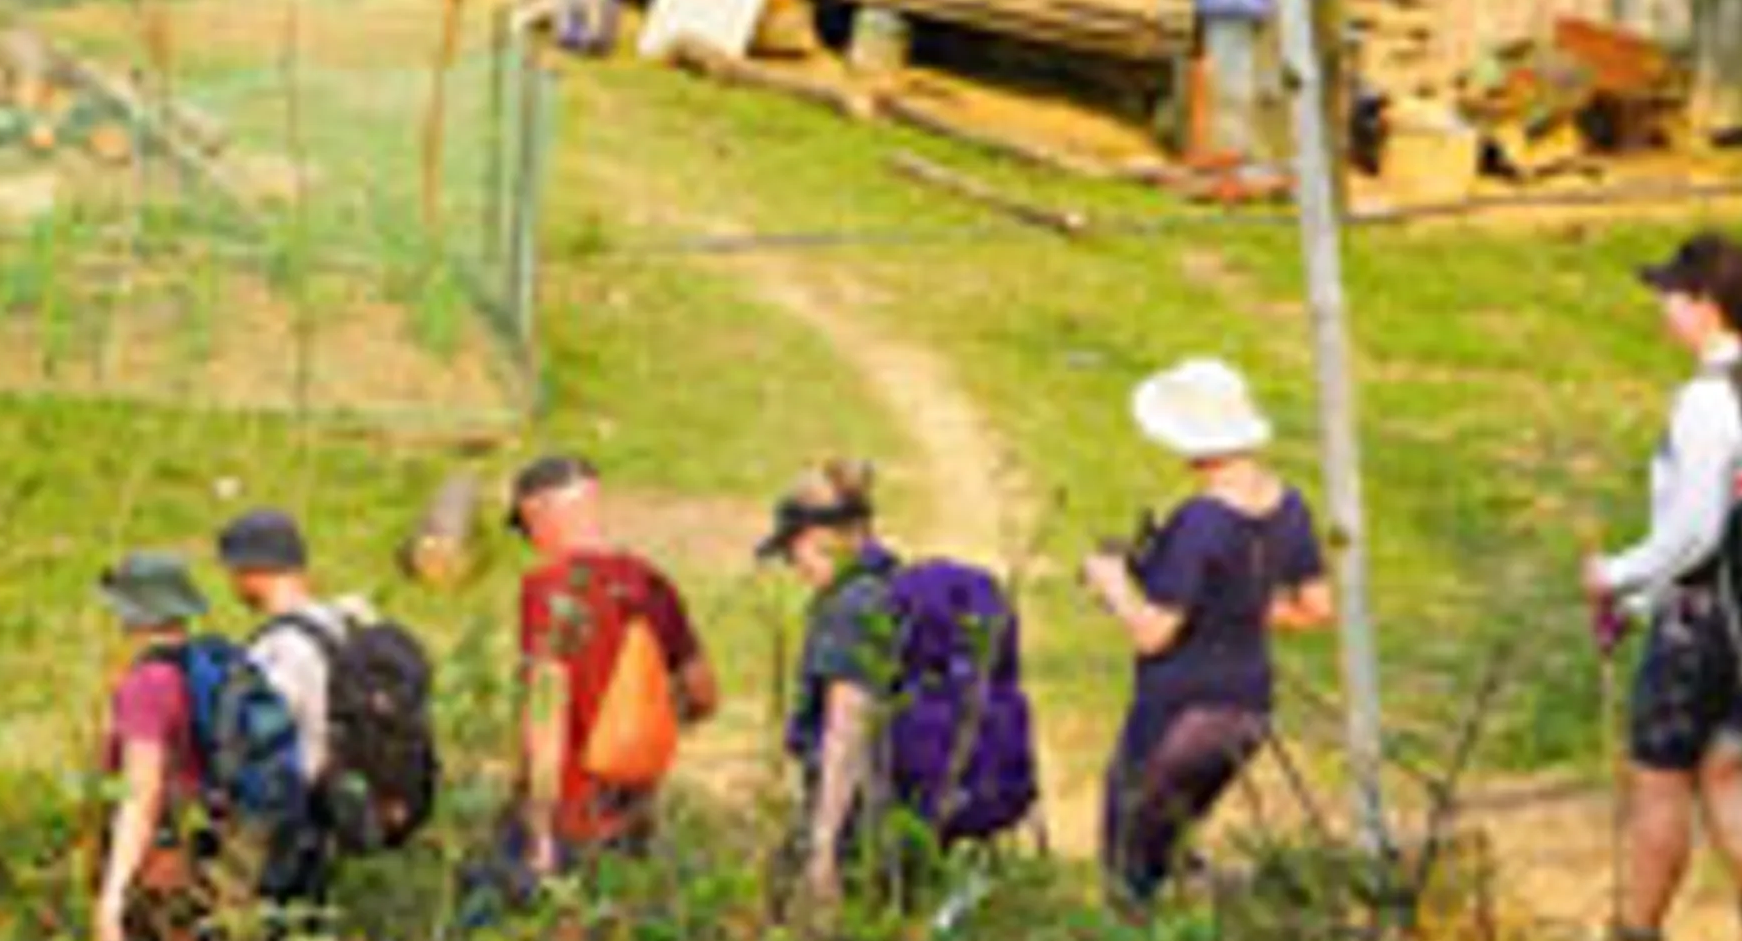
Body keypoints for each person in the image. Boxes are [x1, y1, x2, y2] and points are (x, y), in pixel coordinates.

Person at [1586, 238, 1742, 941]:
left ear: (1706, 304)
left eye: (1671, 296)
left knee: (1659, 780)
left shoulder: (1710, 401)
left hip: (1700, 619)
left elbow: (1694, 530)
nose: (1662, 309)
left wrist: (1616, 576)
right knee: (1724, 767)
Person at [1085, 360, 1331, 910]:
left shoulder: (1200, 520)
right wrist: (1233, 605)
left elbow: (1154, 634)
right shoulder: (1289, 506)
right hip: (1248, 710)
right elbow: (1316, 608)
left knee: (1128, 866)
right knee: (1170, 850)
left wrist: (1113, 583)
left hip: (1180, 713)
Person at [770, 461, 1038, 909]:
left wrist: (823, 848)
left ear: (814, 539)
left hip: (873, 822)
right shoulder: (898, 588)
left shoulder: (851, 607)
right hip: (929, 815)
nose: (794, 568)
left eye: (790, 553)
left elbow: (846, 729)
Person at [511, 454, 714, 887]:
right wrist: (641, 730)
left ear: (538, 513)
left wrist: (539, 826)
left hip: (570, 815)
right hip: (636, 807)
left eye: (527, 530)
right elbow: (702, 694)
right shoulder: (651, 584)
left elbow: (546, 708)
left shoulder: (548, 590)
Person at [91, 552, 217, 941]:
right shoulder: (199, 670)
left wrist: (114, 890)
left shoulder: (146, 686)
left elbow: (139, 794)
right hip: (194, 854)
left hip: (152, 861)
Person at [218, 508, 370, 925]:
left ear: (252, 572)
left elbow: (264, 741)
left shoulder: (278, 650)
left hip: (295, 817)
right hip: (344, 806)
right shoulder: (343, 623)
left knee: (278, 936)